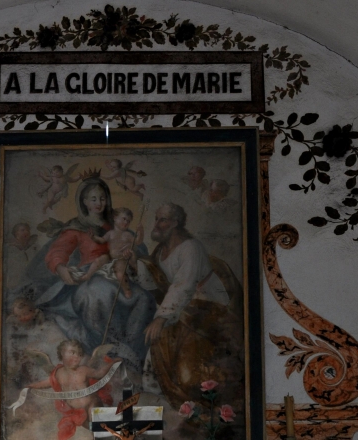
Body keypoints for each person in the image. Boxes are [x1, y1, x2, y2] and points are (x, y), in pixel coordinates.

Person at [22, 174, 156, 369]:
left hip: (118, 274)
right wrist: (61, 268)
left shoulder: (117, 224)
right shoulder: (77, 227)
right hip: (91, 275)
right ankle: (107, 352)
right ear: (84, 201)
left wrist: (133, 250)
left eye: (102, 198)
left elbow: (137, 248)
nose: (99, 203)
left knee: (143, 298)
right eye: (93, 198)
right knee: (97, 293)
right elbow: (57, 252)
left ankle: (131, 357)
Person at [142, 202, 243, 408]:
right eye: (157, 219)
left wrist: (162, 317)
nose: (157, 224)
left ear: (176, 223)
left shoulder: (191, 247)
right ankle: (160, 388)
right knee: (160, 336)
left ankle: (185, 395)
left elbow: (184, 286)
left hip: (207, 307)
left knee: (179, 352)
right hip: (181, 307)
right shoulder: (160, 251)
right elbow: (156, 280)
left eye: (163, 220)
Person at [27, 338, 114, 440]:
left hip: (91, 403)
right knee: (93, 429)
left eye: (79, 354)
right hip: (77, 412)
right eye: (72, 353)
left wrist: (112, 364)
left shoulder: (83, 370)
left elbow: (99, 374)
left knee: (96, 426)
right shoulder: (58, 373)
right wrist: (32, 386)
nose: (77, 357)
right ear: (62, 354)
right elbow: (46, 383)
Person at [91, 207, 143, 298]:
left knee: (120, 274)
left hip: (122, 259)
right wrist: (94, 237)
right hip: (111, 259)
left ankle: (126, 289)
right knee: (99, 260)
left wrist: (140, 231)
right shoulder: (110, 233)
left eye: (129, 221)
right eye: (124, 219)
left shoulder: (127, 235)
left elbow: (138, 241)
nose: (126, 222)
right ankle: (87, 276)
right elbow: (102, 240)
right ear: (115, 218)